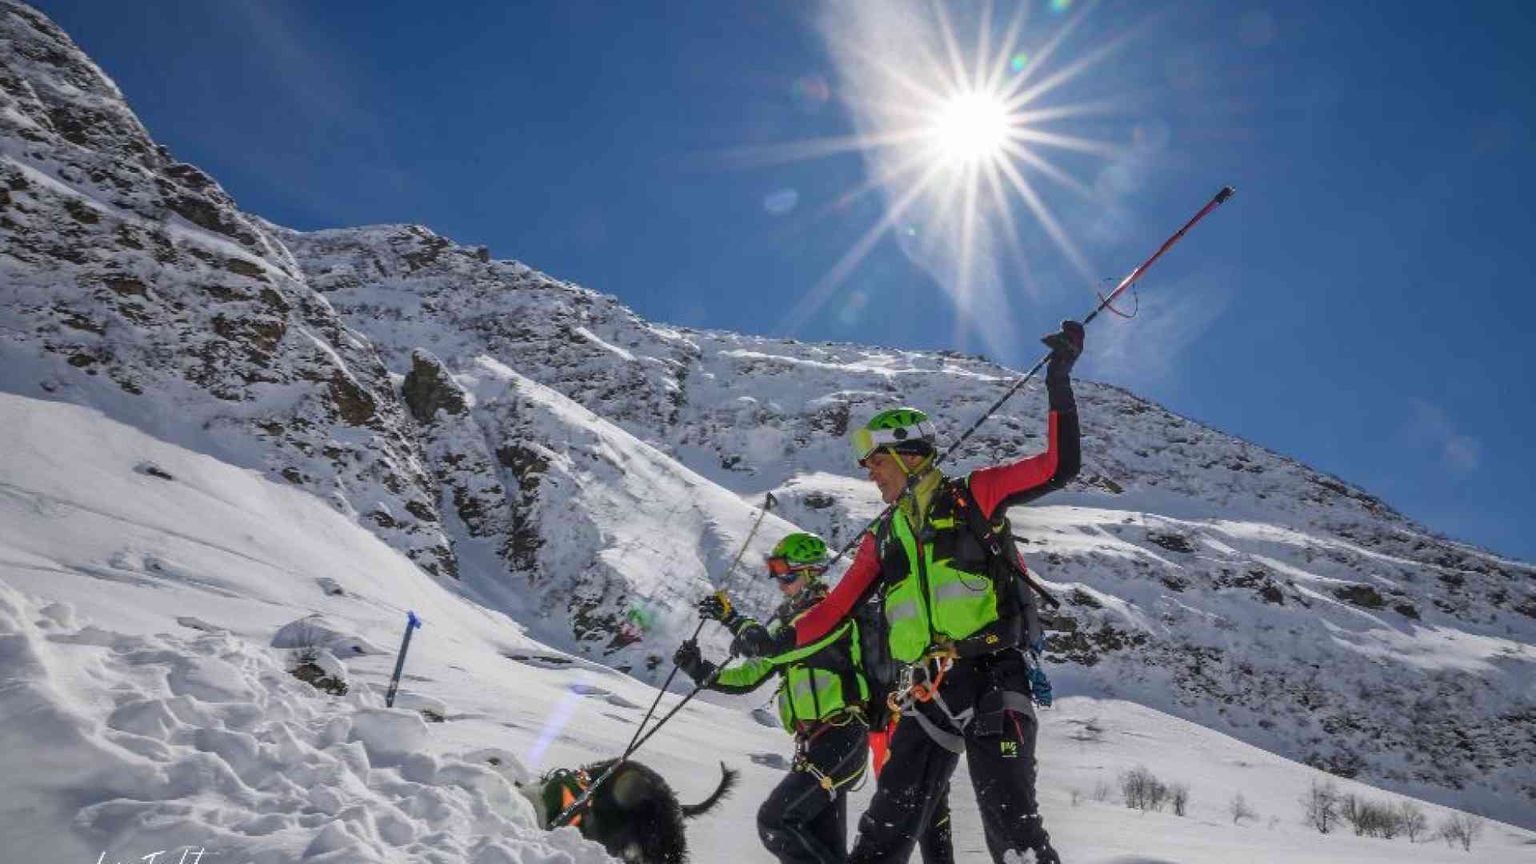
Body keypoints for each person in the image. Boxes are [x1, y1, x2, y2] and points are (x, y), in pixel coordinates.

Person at [709, 321, 1084, 864]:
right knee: (882, 834)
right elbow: (834, 609)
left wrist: (1059, 379)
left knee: (1012, 826)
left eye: (876, 461)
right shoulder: (883, 537)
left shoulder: (973, 496)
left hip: (994, 679)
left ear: (909, 456)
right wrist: (776, 643)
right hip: (929, 692)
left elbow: (1058, 466)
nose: (869, 474)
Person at [675, 532, 869, 864]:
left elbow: (773, 648)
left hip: (841, 738)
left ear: (812, 573)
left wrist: (734, 621)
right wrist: (700, 670)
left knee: (775, 821)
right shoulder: (787, 624)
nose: (781, 583)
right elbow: (749, 676)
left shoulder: (830, 615)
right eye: (777, 575)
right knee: (823, 846)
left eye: (788, 575)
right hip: (814, 744)